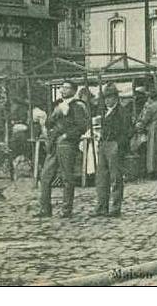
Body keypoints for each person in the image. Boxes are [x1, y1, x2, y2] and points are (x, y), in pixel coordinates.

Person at [36, 81, 90, 218]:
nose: (63, 90)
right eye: (62, 88)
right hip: (54, 143)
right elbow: (48, 123)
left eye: (67, 88)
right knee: (45, 176)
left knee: (67, 177)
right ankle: (45, 209)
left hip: (67, 144)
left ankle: (66, 209)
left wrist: (67, 135)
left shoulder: (78, 106)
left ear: (74, 90)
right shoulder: (59, 105)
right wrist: (55, 114)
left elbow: (82, 127)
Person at [94, 83, 131, 217]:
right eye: (105, 98)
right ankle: (101, 207)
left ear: (116, 98)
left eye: (110, 97)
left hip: (114, 146)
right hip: (104, 144)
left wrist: (118, 145)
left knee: (115, 178)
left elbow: (128, 131)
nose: (107, 100)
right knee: (101, 178)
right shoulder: (104, 112)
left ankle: (115, 208)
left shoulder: (122, 112)